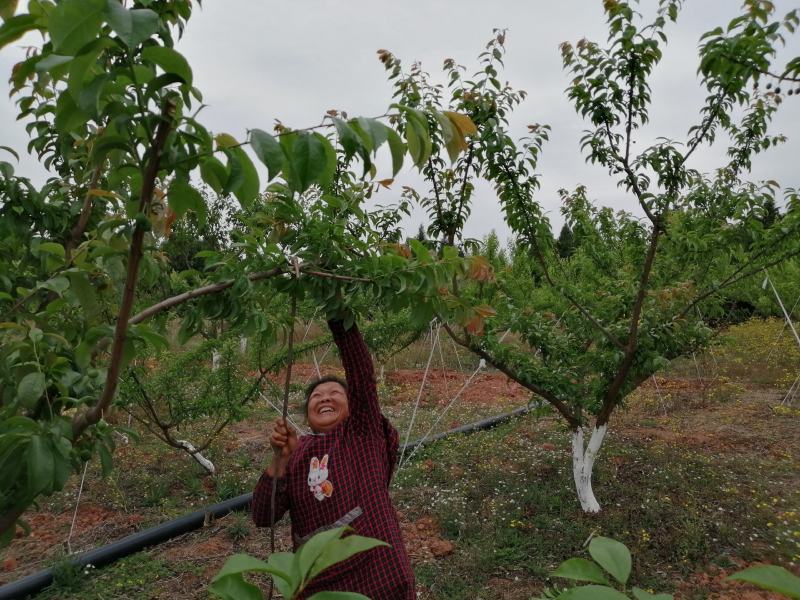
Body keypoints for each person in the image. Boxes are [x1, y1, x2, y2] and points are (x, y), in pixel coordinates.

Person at [252, 318, 416, 599]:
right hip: (319, 584)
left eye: (335, 393)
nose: (324, 398)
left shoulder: (362, 435)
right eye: (316, 396)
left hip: (377, 575)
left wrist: (338, 314)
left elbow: (361, 373)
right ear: (307, 414)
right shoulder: (298, 451)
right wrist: (280, 459)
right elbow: (262, 516)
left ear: (354, 406)